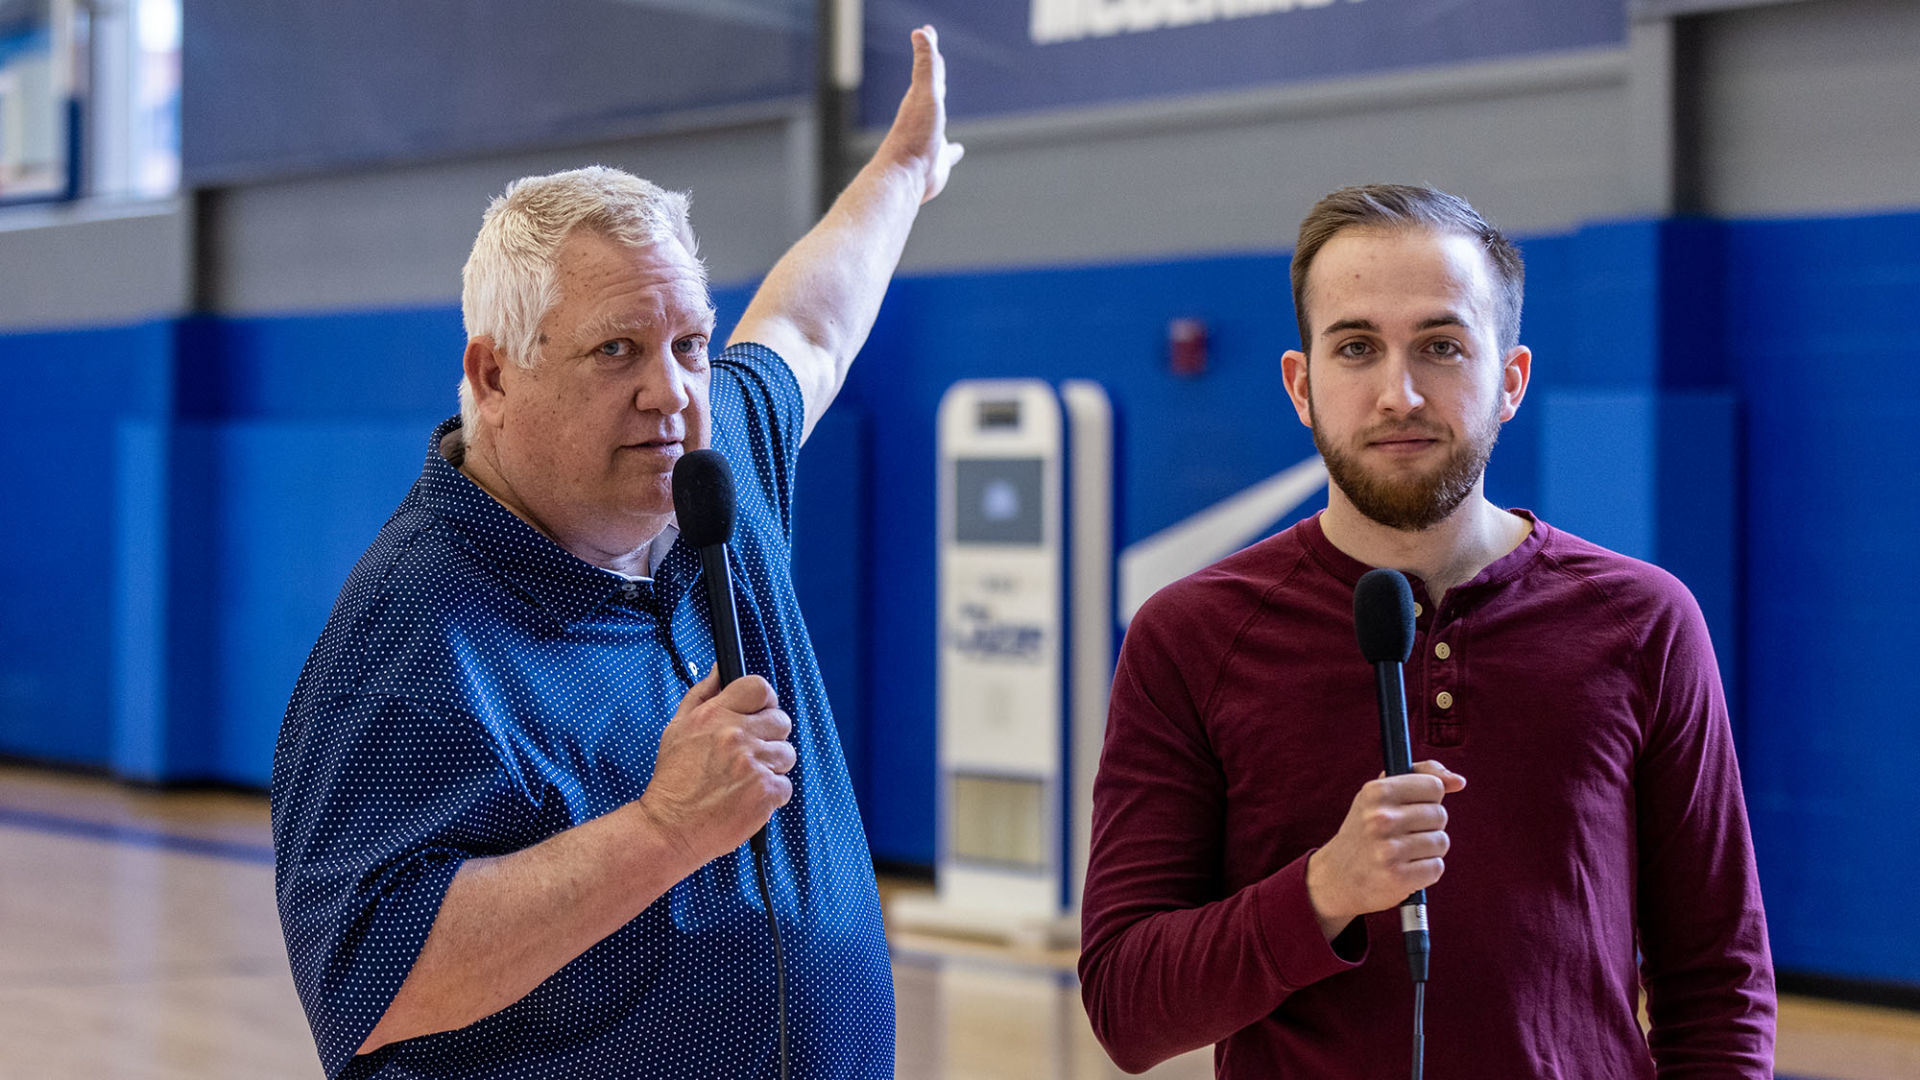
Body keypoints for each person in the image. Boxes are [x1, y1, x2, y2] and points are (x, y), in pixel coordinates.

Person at [270, 27, 963, 1080]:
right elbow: (372, 978)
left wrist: (903, 172)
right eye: (616, 351)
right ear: (493, 377)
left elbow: (812, 327)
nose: (673, 391)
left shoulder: (709, 476)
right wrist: (662, 832)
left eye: (689, 343)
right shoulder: (412, 631)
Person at [1078, 184, 1774, 1077]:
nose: (1398, 393)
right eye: (1357, 347)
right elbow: (1128, 1010)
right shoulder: (1190, 636)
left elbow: (1719, 982)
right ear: (1302, 385)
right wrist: (1325, 890)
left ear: (1511, 379)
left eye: (1441, 347)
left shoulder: (1645, 622)